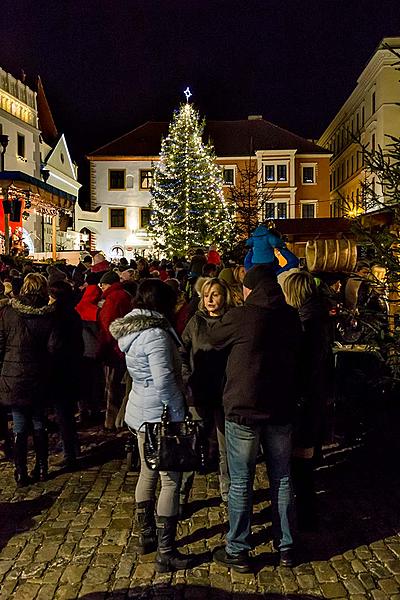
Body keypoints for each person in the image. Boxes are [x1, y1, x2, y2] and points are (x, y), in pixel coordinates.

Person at [208, 265, 302, 571]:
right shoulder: (289, 315)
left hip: (245, 409)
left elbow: (213, 337)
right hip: (282, 408)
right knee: (282, 478)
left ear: (250, 289)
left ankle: (238, 549)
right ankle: (286, 546)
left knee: (241, 481)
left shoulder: (242, 316)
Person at [110, 279, 193, 572]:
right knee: (170, 479)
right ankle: (166, 551)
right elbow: (164, 381)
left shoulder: (135, 330)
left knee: (148, 471)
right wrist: (180, 411)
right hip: (161, 414)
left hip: (141, 409)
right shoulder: (155, 334)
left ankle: (147, 535)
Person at [282, 270, 332, 530]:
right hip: (313, 398)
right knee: (304, 460)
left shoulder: (307, 323)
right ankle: (305, 511)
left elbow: (305, 366)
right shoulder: (316, 317)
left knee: (300, 461)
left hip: (305, 400)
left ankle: (305, 515)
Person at [0, 273, 61, 486]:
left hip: (13, 375)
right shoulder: (50, 314)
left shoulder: (8, 312)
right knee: (38, 421)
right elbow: (54, 348)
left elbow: (0, 343)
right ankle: (42, 467)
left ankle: (20, 471)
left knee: (19, 423)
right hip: (39, 374)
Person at [179, 277, 232, 513]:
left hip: (224, 393)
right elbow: (182, 350)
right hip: (199, 393)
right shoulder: (196, 322)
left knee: (225, 448)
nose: (210, 299)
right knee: (192, 444)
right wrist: (187, 376)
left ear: (224, 296)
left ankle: (228, 493)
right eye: (206, 295)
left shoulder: (232, 321)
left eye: (215, 294)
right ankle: (181, 496)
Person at [49, 280, 84, 470]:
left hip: (61, 369)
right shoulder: (73, 312)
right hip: (73, 366)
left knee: (63, 413)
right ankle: (72, 447)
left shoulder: (57, 315)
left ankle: (69, 453)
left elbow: (54, 344)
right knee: (67, 412)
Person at [97, 270, 132, 430]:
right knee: (122, 385)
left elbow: (108, 326)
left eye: (102, 285)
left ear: (107, 285)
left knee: (113, 386)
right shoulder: (125, 295)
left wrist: (102, 348)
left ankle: (112, 422)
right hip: (124, 347)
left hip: (114, 349)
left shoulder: (112, 299)